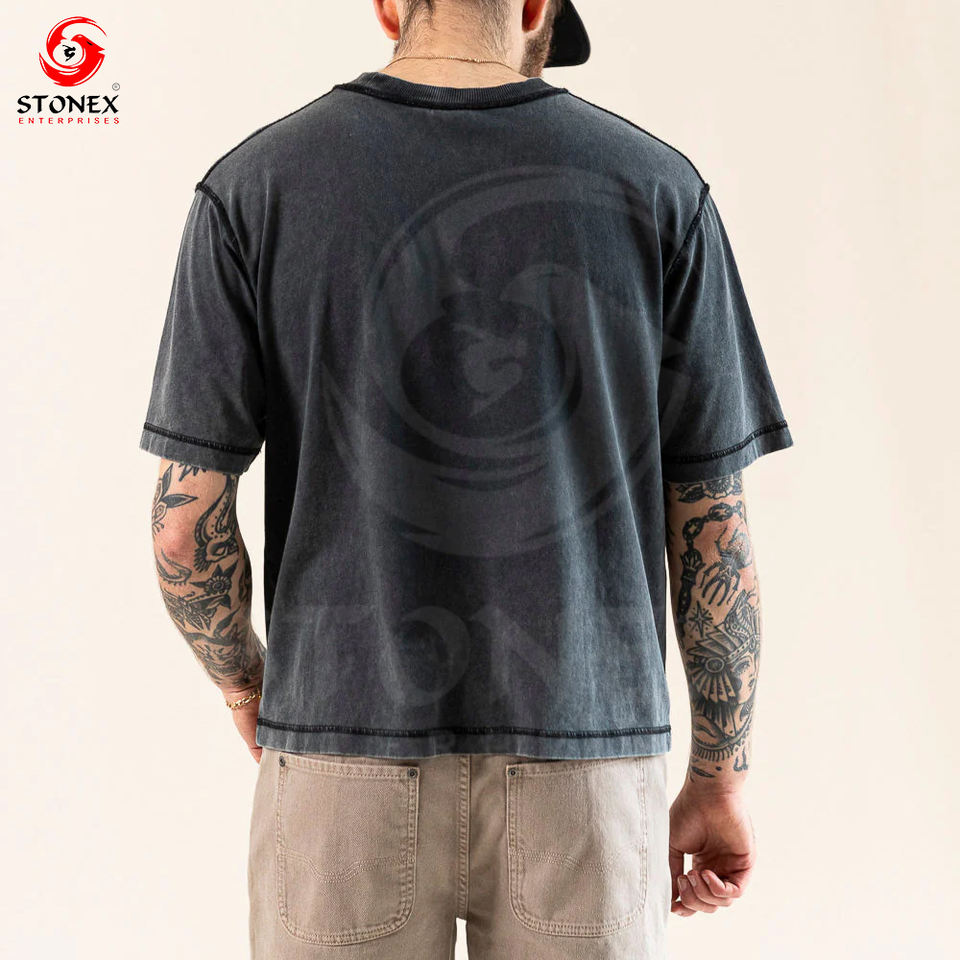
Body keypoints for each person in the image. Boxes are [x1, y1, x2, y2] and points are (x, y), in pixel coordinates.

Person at [139, 1, 793, 956]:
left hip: (338, 748)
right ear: (534, 9)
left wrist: (250, 690)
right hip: (587, 762)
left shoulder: (252, 188)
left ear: (387, 6)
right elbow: (714, 531)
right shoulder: (660, 191)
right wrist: (720, 777)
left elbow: (181, 528)